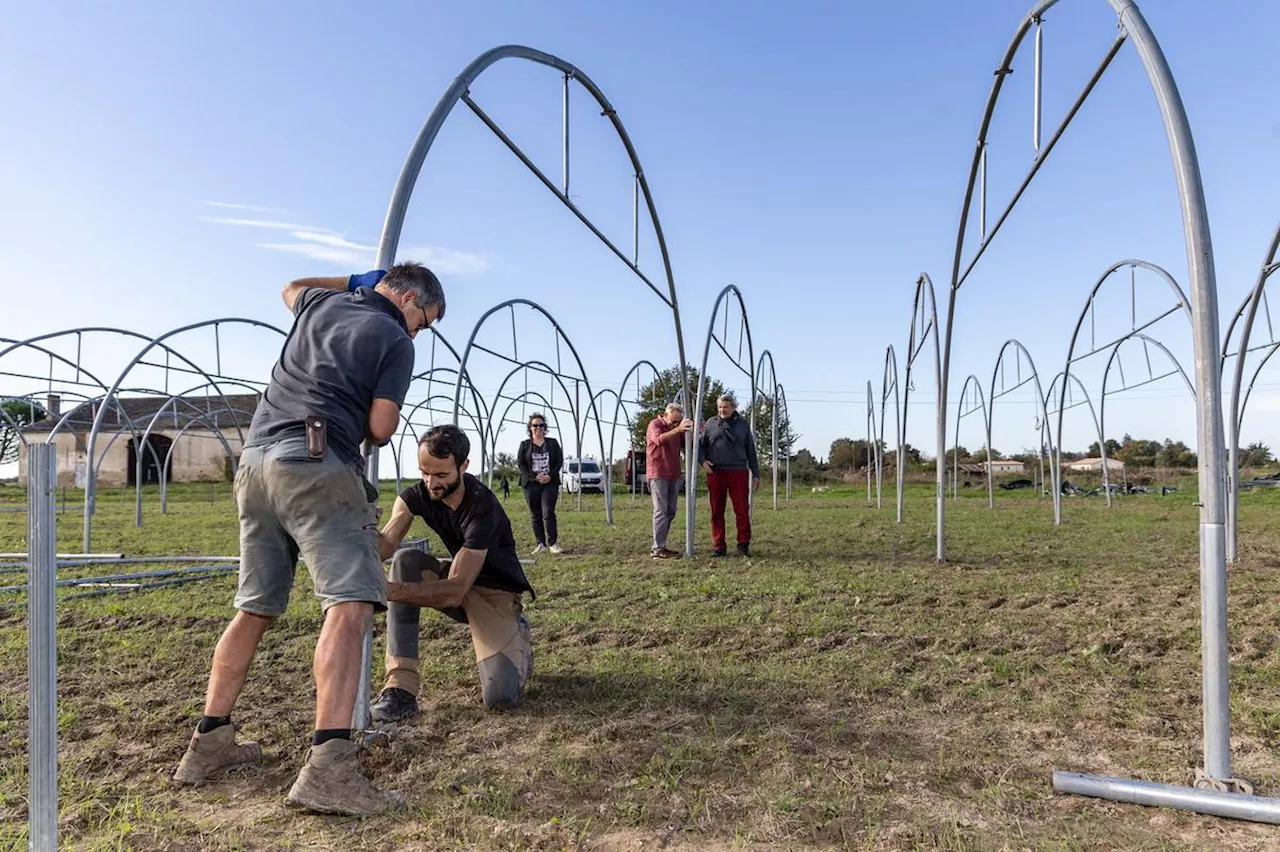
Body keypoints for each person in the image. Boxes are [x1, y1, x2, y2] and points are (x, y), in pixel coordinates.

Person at [172, 263, 444, 816]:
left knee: (254, 608)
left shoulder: (319, 306)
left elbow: (290, 286)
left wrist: (351, 281)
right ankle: (329, 767)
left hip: (255, 464)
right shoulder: (394, 338)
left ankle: (208, 745)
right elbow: (381, 427)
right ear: (408, 298)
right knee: (350, 607)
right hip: (318, 463)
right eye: (425, 319)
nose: (420, 331)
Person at [368, 425, 535, 722]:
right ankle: (400, 688)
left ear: (464, 466)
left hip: (494, 595)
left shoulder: (482, 506)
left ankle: (518, 633)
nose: (431, 483)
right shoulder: (415, 495)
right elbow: (387, 543)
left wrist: (388, 591)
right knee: (405, 561)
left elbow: (456, 589)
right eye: (424, 472)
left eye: (441, 475)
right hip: (457, 583)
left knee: (500, 698)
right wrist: (363, 532)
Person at [697, 392, 761, 557]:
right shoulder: (710, 423)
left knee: (741, 509)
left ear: (733, 407)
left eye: (725, 407)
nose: (722, 410)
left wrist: (756, 473)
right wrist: (703, 462)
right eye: (719, 407)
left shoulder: (742, 425)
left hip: (738, 471)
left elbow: (751, 450)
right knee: (716, 510)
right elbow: (700, 446)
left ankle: (743, 545)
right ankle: (718, 545)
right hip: (716, 472)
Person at [646, 402, 694, 558]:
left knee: (671, 511)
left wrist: (692, 431)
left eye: (678, 422)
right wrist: (678, 429)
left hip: (673, 474)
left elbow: (687, 443)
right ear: (665, 415)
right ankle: (657, 548)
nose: (675, 424)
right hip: (658, 473)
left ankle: (662, 545)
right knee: (661, 510)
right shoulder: (655, 424)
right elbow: (658, 439)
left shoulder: (675, 430)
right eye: (673, 421)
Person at [516, 413, 563, 554]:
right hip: (531, 484)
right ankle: (540, 543)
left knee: (548, 512)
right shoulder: (524, 445)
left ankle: (553, 543)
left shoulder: (553, 443)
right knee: (535, 514)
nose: (538, 428)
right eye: (535, 425)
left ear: (545, 427)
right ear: (530, 428)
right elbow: (521, 464)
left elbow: (559, 461)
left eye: (541, 425)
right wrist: (534, 477)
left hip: (550, 483)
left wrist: (550, 476)